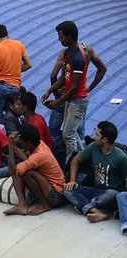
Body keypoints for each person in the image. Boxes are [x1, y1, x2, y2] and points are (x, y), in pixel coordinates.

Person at [42, 21, 107, 163]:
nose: (59, 39)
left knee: (68, 135)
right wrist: (50, 90)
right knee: (73, 133)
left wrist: (57, 102)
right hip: (72, 101)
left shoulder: (78, 58)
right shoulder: (68, 53)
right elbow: (64, 78)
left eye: (61, 36)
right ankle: (82, 159)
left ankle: (71, 164)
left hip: (77, 101)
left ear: (69, 37)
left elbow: (74, 87)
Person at [64, 121, 127, 223]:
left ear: (105, 140)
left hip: (112, 196)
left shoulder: (121, 157)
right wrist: (72, 181)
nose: (94, 136)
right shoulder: (94, 146)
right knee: (68, 190)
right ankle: (97, 212)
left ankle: (85, 206)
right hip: (96, 190)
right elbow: (75, 160)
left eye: (97, 134)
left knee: (111, 194)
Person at [3, 124, 66, 216]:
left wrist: (11, 147)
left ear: (28, 143)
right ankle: (22, 205)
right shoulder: (40, 144)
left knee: (25, 172)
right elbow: (28, 161)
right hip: (55, 190)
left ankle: (42, 204)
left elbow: (13, 171)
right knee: (23, 168)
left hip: (55, 196)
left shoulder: (38, 155)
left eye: (21, 141)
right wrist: (14, 148)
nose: (20, 142)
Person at [0, 24, 32, 123]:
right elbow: (29, 64)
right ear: (7, 34)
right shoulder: (19, 44)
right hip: (15, 87)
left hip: (0, 86)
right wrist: (15, 71)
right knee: (12, 116)